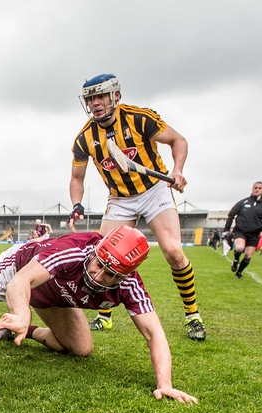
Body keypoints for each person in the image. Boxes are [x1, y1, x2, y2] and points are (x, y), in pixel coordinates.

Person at [0, 226, 197, 403]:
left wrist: (164, 384)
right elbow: (22, 281)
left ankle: (26, 331)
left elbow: (154, 333)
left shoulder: (130, 286)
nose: (97, 275)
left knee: (81, 349)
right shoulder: (76, 249)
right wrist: (20, 311)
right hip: (21, 271)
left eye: (109, 274)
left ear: (125, 276)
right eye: (98, 263)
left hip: (56, 296)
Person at [67, 73, 205, 341]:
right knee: (100, 256)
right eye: (90, 98)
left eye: (100, 96)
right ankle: (104, 317)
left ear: (115, 95)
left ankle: (193, 316)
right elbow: (76, 178)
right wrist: (76, 204)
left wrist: (177, 170)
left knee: (174, 251)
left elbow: (179, 141)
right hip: (119, 198)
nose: (95, 103)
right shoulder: (84, 139)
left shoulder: (139, 118)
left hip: (155, 189)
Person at [224, 182, 262, 279]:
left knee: (248, 256)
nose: (257, 189)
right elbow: (231, 215)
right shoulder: (243, 202)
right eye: (255, 188)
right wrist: (226, 229)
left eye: (259, 188)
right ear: (252, 189)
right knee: (239, 248)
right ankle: (236, 260)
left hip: (254, 233)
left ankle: (239, 273)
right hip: (240, 231)